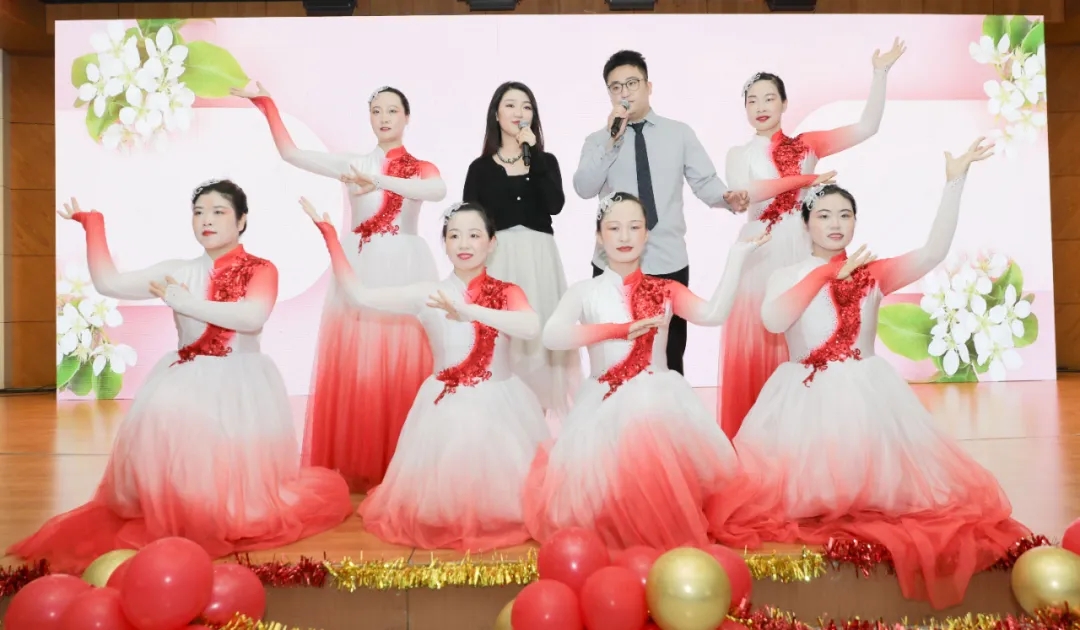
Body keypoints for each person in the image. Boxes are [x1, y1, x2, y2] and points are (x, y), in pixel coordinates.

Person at [721, 139, 1031, 609]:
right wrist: (824, 276)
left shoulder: (874, 272)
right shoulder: (786, 275)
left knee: (886, 496)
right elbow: (774, 321)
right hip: (803, 396)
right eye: (824, 215)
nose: (835, 223)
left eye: (844, 215)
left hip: (867, 393)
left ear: (855, 222)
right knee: (790, 497)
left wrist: (954, 181)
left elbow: (932, 252)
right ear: (806, 223)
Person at [9, 181, 352, 573]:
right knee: (182, 459)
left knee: (236, 486)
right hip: (187, 376)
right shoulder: (178, 271)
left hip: (240, 382)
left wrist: (186, 301)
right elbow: (109, 283)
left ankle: (222, 514)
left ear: (241, 221)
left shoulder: (262, 269)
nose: (207, 220)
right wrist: (93, 225)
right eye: (199, 212)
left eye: (219, 212)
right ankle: (188, 513)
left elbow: (252, 317)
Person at [523, 192, 774, 550]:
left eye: (634, 227)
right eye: (614, 228)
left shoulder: (667, 289)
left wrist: (737, 257)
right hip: (600, 407)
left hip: (658, 400)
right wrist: (618, 330)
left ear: (647, 235)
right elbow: (553, 335)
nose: (624, 236)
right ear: (599, 236)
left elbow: (713, 313)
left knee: (648, 424)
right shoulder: (584, 292)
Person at [232, 82, 446, 492]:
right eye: (376, 111)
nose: (383, 118)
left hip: (405, 264)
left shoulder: (421, 167)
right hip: (360, 262)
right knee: (361, 359)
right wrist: (266, 104)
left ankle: (405, 460)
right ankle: (363, 459)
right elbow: (292, 153)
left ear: (406, 117)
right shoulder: (352, 162)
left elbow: (436, 191)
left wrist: (376, 179)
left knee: (404, 358)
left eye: (392, 111)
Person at [302, 197, 550, 551]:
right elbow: (359, 295)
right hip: (444, 407)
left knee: (507, 499)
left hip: (502, 404)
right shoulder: (427, 293)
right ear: (444, 243)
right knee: (441, 504)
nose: (464, 244)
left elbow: (530, 326)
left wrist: (468, 311)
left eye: (474, 235)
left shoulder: (509, 292)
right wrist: (331, 238)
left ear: (492, 242)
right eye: (454, 235)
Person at [718, 39, 906, 439]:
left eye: (770, 98)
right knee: (761, 336)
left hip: (804, 249)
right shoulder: (738, 153)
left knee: (809, 336)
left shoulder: (807, 145)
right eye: (752, 100)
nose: (761, 106)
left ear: (784, 103)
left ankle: (807, 439)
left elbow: (867, 127)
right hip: (759, 249)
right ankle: (757, 439)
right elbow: (747, 191)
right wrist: (805, 179)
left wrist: (880, 73)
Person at [572, 50, 750, 375]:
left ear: (648, 86)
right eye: (616, 87)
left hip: (668, 260)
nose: (624, 93)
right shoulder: (598, 140)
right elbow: (584, 187)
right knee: (614, 357)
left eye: (632, 83)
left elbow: (705, 181)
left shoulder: (678, 133)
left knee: (669, 356)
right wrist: (612, 141)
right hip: (614, 267)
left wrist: (727, 198)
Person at [462, 81, 582, 422]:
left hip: (539, 259)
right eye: (511, 105)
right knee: (502, 341)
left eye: (526, 106)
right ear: (496, 115)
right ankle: (503, 423)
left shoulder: (546, 161)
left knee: (540, 338)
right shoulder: (479, 168)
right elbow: (470, 223)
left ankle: (538, 424)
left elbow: (555, 204)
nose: (519, 113)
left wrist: (536, 156)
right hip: (499, 260)